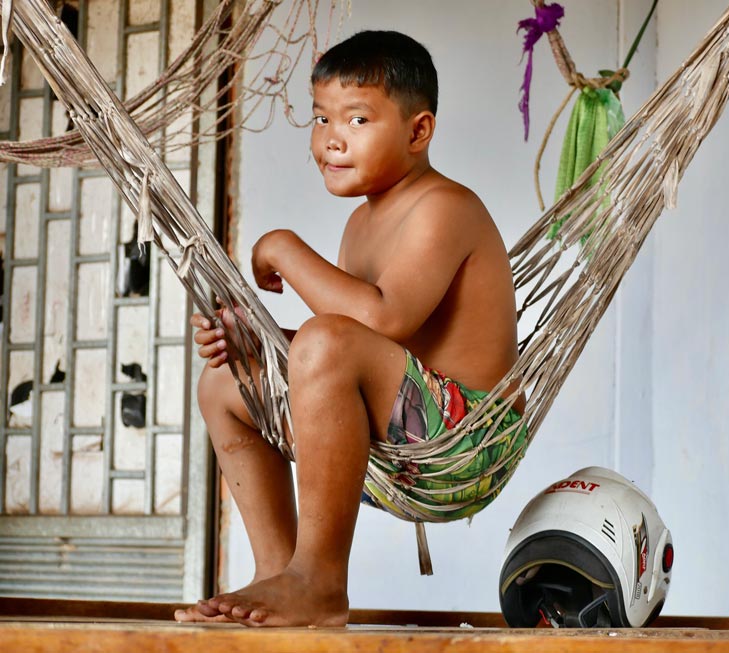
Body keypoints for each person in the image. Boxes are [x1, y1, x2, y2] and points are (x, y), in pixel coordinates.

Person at [175, 30, 524, 627]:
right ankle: (278, 573)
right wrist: (257, 344)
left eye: (357, 118)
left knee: (324, 338)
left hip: (466, 444)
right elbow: (340, 362)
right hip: (389, 437)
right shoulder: (361, 225)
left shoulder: (444, 207)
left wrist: (282, 247)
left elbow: (380, 320)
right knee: (224, 386)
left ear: (418, 131)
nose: (329, 138)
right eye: (319, 117)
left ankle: (319, 579)